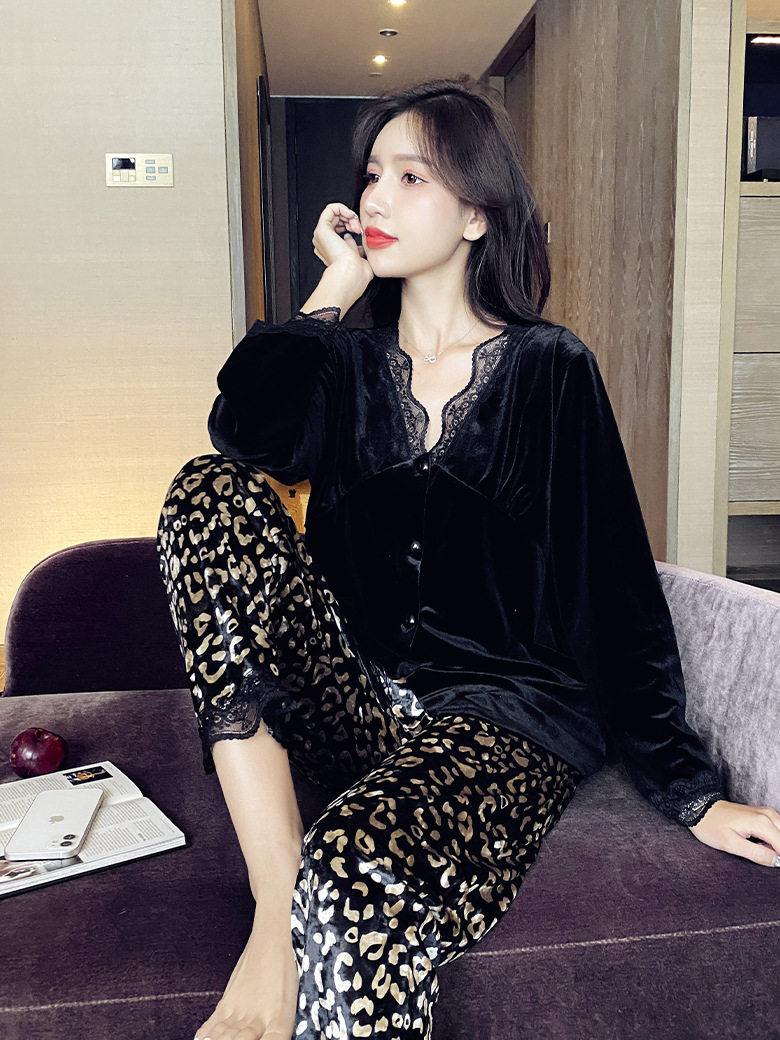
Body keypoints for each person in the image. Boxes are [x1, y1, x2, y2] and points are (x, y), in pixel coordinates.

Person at [157, 78, 780, 1040]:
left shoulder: (550, 368)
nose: (376, 198)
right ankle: (276, 902)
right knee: (208, 488)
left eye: (412, 178)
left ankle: (316, 894)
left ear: (477, 214)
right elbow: (246, 432)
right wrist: (334, 289)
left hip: (506, 716)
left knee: (358, 866)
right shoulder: (345, 365)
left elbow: (612, 586)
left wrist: (691, 792)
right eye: (371, 175)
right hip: (358, 699)